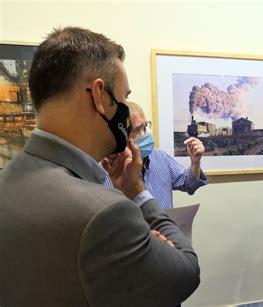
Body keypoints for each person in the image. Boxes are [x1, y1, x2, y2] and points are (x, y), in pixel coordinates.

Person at [0, 27, 200, 307]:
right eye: (122, 96)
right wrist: (138, 194)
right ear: (99, 95)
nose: (131, 123)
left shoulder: (7, 179)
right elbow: (186, 273)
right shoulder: (105, 212)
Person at [103, 101, 207, 209]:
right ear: (122, 137)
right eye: (139, 129)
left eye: (146, 125)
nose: (147, 132)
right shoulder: (109, 174)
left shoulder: (159, 157)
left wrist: (195, 162)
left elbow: (188, 184)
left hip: (165, 225)